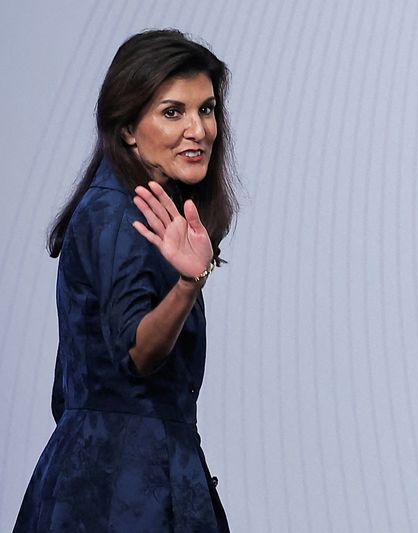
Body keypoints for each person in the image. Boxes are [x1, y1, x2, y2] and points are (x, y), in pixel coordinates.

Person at [14, 29, 237, 532]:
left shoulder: (126, 204)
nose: (198, 129)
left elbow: (69, 388)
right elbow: (137, 352)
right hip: (124, 498)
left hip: (110, 478)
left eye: (206, 109)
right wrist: (188, 284)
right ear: (128, 128)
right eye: (173, 111)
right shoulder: (122, 212)